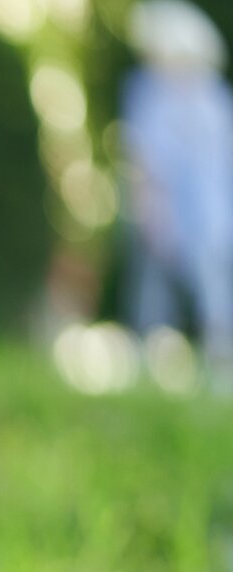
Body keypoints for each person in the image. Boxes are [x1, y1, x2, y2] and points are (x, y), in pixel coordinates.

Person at [120, 0, 233, 370]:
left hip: (212, 212)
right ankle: (148, 357)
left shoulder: (214, 98)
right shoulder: (148, 92)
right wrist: (150, 209)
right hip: (164, 209)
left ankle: (219, 357)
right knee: (152, 287)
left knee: (212, 287)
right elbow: (143, 157)